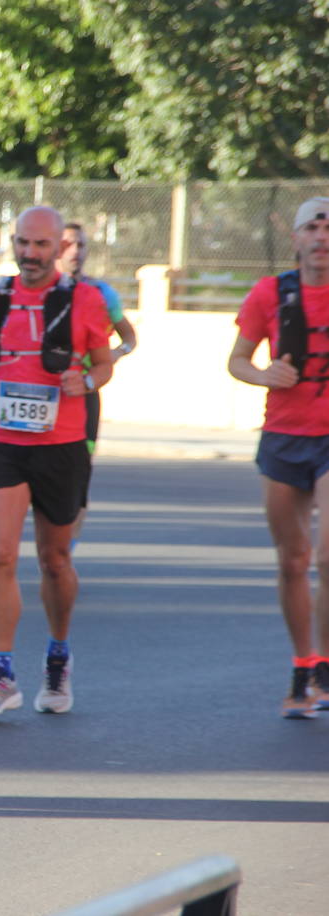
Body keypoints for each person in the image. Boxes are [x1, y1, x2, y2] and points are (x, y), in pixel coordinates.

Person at [0, 206, 113, 717]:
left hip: (61, 443)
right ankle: (1, 674)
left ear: (59, 248)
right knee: (0, 553)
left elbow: (104, 362)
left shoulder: (84, 300)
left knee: (55, 559)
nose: (29, 254)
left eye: (41, 245)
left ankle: (58, 654)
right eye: (22, 243)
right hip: (5, 440)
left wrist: (86, 382)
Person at [228, 196, 329, 718]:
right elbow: (238, 361)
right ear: (296, 238)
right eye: (312, 226)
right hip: (283, 436)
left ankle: (327, 667)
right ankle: (302, 667)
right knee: (292, 562)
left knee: (326, 555)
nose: (322, 235)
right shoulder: (271, 293)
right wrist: (265, 374)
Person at [57, 222, 137, 543]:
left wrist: (117, 353)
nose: (77, 251)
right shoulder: (39, 289)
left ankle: (67, 547)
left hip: (86, 394)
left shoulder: (101, 293)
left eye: (82, 245)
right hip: (49, 394)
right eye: (69, 244)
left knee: (79, 473)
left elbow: (129, 336)